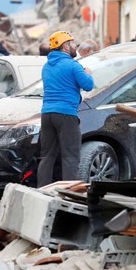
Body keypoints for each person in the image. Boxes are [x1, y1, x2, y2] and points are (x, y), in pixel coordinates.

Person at [37, 31, 94, 187]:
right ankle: (70, 191)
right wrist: (87, 73)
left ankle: (41, 191)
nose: (75, 46)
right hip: (66, 114)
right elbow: (88, 85)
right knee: (70, 156)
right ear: (65, 46)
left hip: (47, 114)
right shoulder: (73, 65)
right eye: (73, 43)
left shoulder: (46, 66)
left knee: (47, 156)